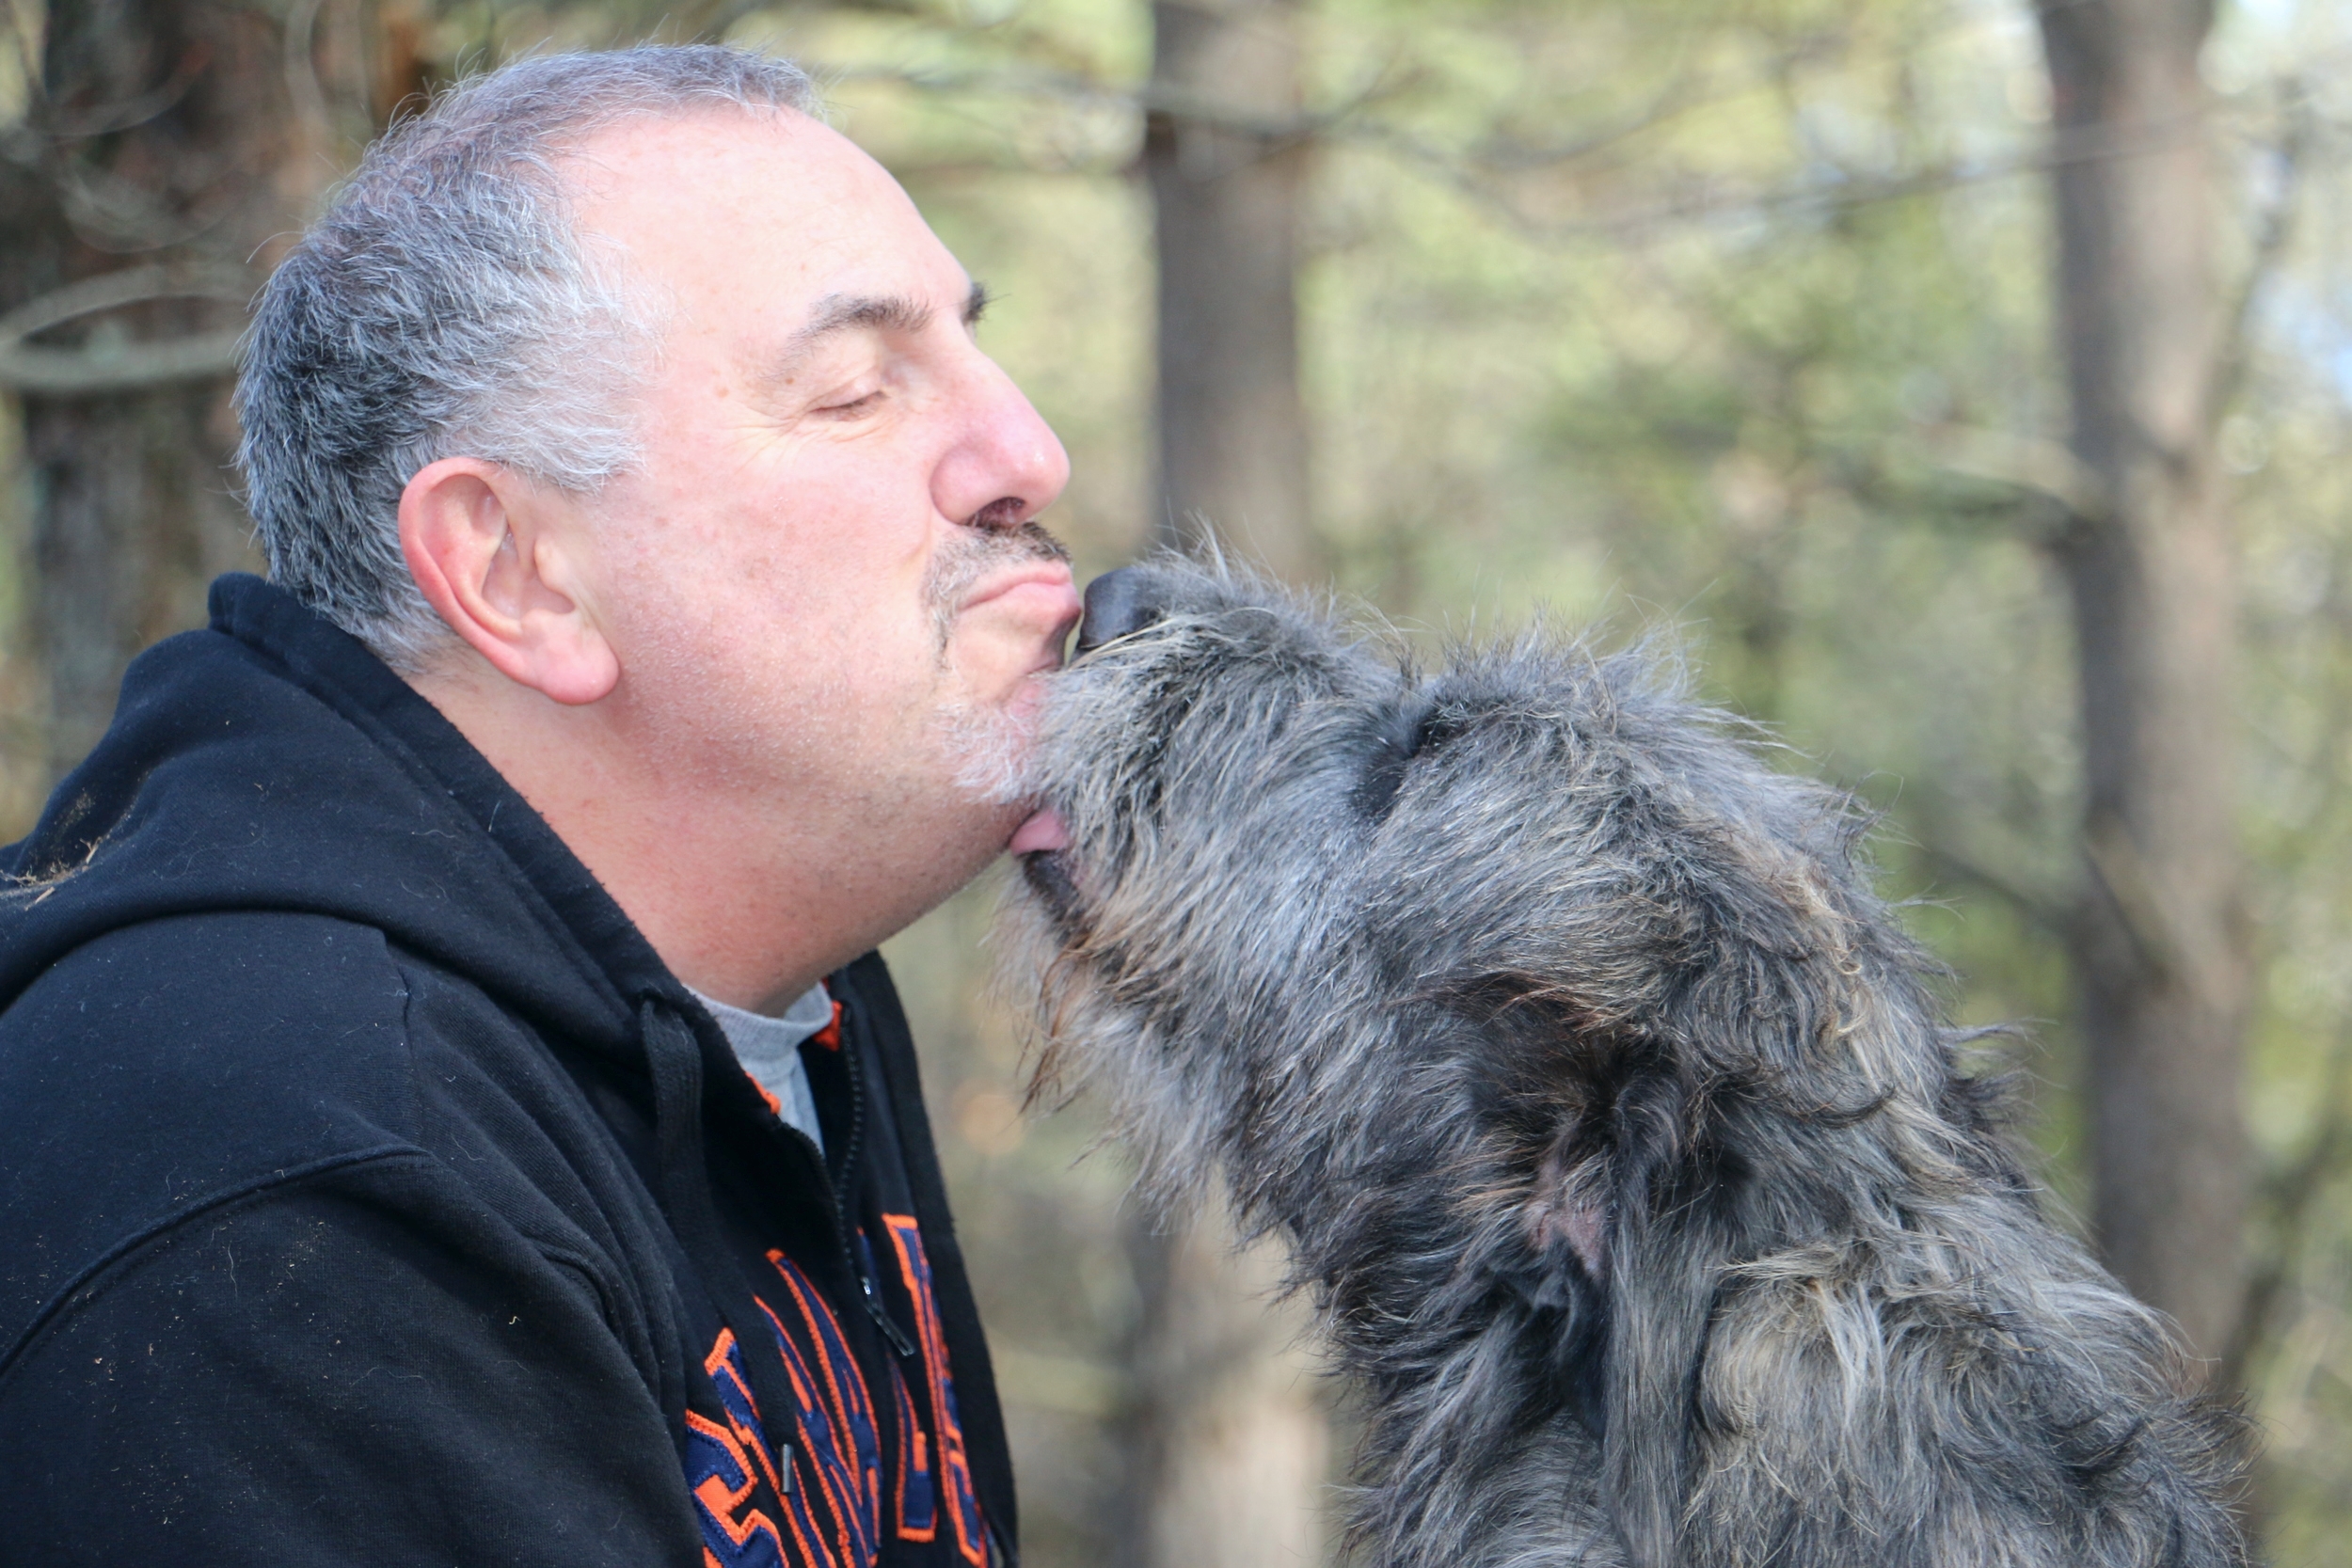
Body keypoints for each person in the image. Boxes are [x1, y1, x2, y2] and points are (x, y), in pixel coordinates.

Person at [0, 45, 1079, 1568]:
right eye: (854, 389)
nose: (1028, 453)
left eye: (972, 350)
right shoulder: (293, 1182)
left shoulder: (777, 987)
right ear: (516, 574)